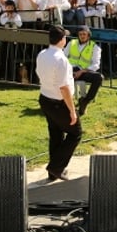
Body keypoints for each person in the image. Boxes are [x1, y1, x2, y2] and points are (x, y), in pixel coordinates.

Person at [36, 24, 82, 181]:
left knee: (55, 134)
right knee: (75, 133)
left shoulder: (42, 54)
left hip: (45, 98)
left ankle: (53, 171)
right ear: (62, 40)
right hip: (58, 101)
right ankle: (56, 167)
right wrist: (72, 110)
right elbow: (64, 88)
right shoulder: (61, 59)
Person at [64, 25, 103, 116]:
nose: (82, 36)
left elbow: (96, 65)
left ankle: (85, 101)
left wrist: (81, 71)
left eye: (84, 34)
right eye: (80, 34)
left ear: (88, 35)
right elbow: (63, 56)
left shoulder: (95, 47)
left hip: (83, 71)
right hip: (70, 70)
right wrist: (69, 70)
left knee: (99, 78)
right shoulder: (71, 43)